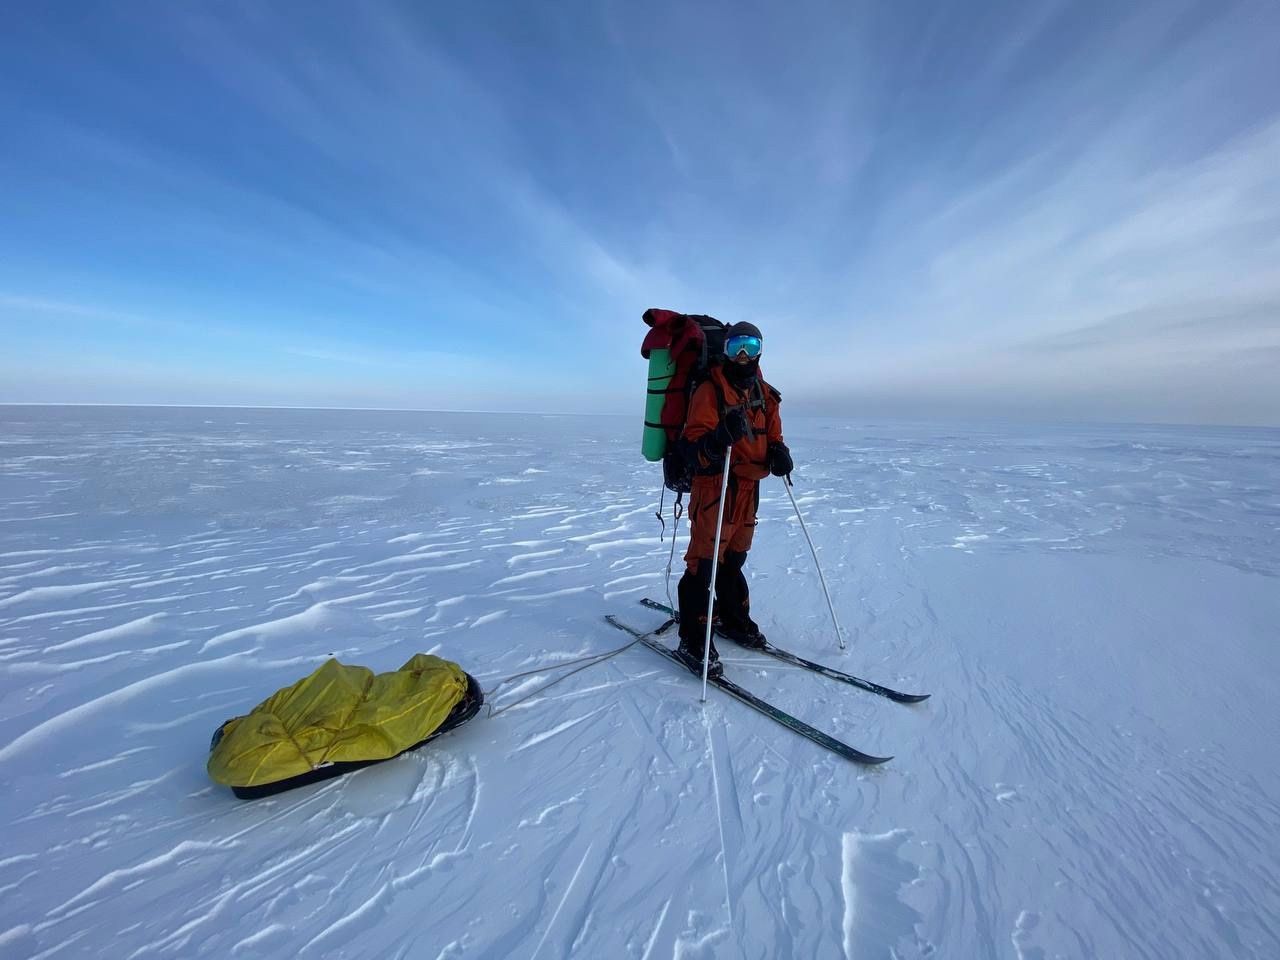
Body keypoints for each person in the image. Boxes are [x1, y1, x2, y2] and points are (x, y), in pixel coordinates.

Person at [674, 321, 792, 678]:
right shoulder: (709, 390)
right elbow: (692, 447)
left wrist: (780, 453)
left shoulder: (765, 394)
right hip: (715, 487)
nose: (743, 355)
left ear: (760, 351)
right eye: (736, 347)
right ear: (725, 351)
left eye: (750, 347)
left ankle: (732, 619)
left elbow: (774, 436)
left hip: (748, 489)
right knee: (704, 563)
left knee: (734, 557)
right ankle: (693, 640)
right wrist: (717, 439)